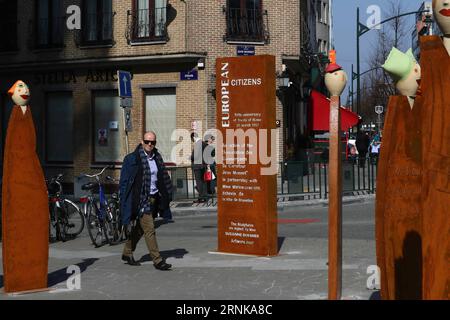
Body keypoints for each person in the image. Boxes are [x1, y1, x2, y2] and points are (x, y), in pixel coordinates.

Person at [119, 131, 173, 270]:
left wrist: (168, 194)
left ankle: (127, 252)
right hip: (140, 198)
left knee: (140, 229)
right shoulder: (132, 159)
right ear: (142, 141)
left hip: (154, 198)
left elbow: (163, 177)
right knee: (150, 229)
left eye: (153, 142)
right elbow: (124, 182)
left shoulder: (157, 157)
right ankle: (158, 260)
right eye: (147, 141)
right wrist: (124, 200)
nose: (150, 144)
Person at [190, 132, 208, 203]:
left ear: (193, 137)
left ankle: (201, 197)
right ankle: (205, 197)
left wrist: (190, 157)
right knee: (203, 182)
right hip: (203, 165)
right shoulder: (204, 143)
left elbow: (195, 156)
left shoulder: (198, 143)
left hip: (197, 166)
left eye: (192, 139)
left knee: (199, 182)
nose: (192, 140)